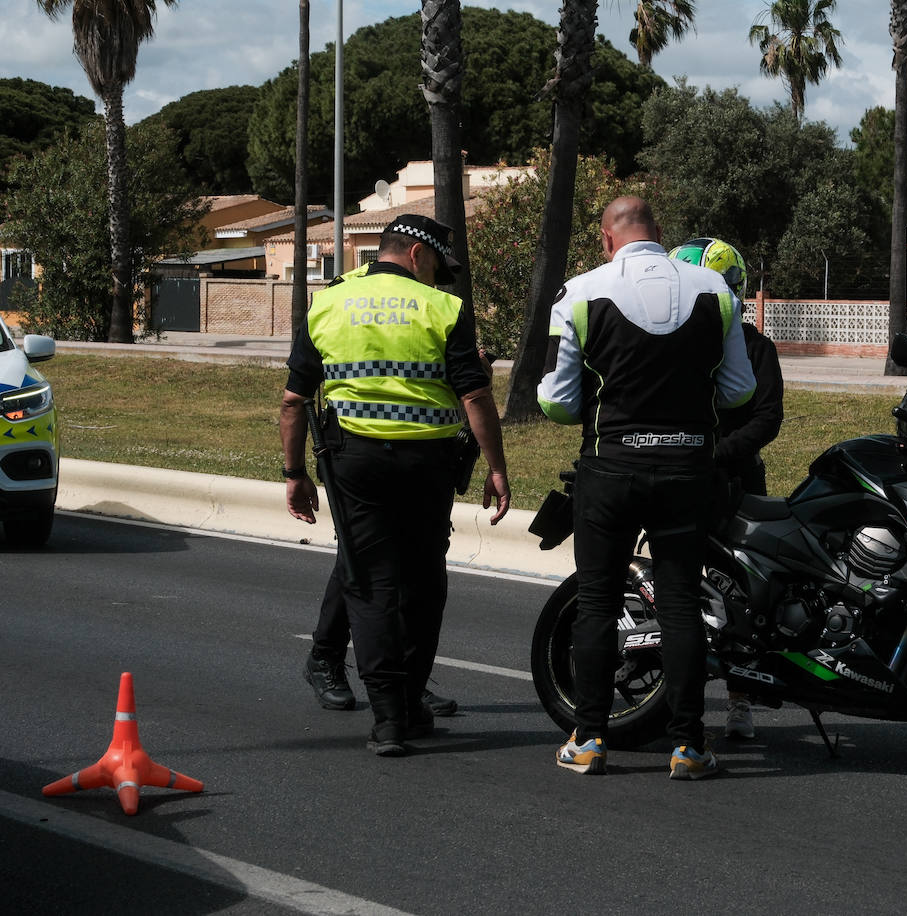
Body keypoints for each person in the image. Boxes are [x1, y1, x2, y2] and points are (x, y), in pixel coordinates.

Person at [538, 197, 755, 780]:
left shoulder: (581, 292)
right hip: (689, 468)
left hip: (611, 469)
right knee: (682, 603)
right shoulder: (715, 290)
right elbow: (738, 392)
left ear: (607, 239)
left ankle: (589, 740)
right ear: (660, 234)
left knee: (598, 602)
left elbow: (557, 403)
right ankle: (688, 747)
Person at [280, 213, 511, 757]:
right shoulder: (444, 309)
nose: (438, 279)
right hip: (426, 467)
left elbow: (293, 401)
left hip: (353, 463)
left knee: (369, 584)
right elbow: (475, 397)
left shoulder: (329, 303)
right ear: (415, 254)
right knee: (423, 581)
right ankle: (408, 700)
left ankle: (389, 720)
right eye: (436, 266)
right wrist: (497, 467)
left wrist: (294, 475)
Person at [668, 238, 784, 741]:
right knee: (676, 588)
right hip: (675, 475)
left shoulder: (756, 347)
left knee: (744, 593)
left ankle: (740, 701)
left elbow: (766, 418)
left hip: (734, 482)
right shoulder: (669, 344)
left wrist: (716, 454)